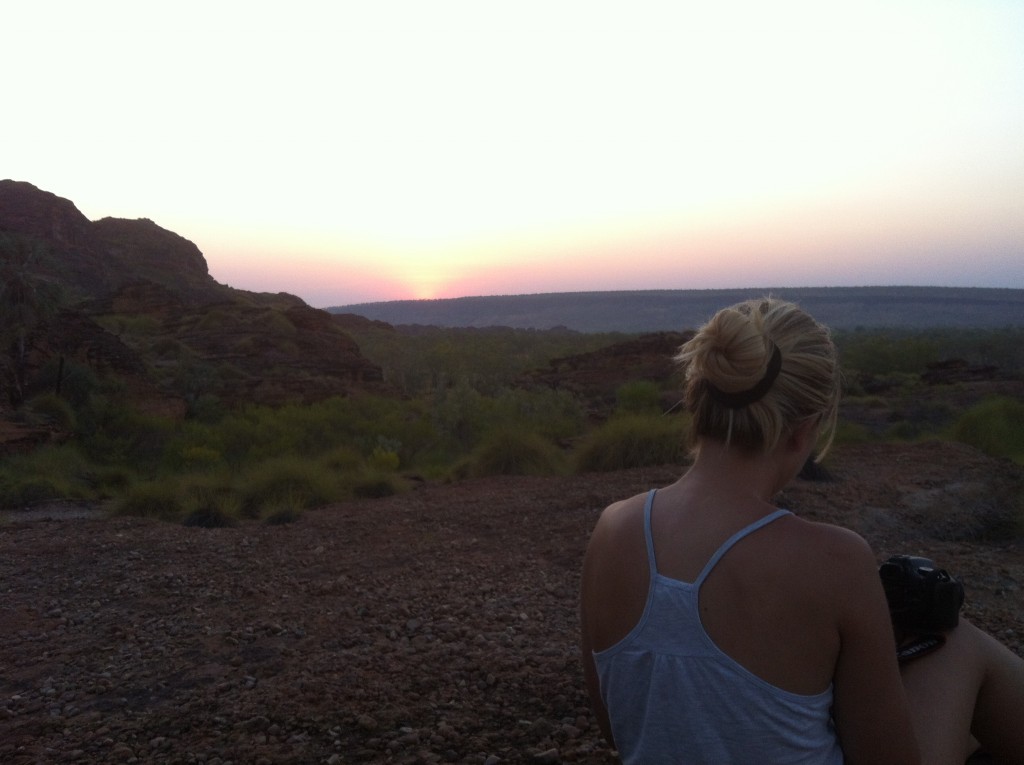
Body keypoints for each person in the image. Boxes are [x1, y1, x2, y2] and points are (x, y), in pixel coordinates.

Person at [579, 297, 1024, 765]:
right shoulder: (835, 558)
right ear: (803, 430)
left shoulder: (612, 528)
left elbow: (619, 726)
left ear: (698, 402)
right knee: (956, 647)